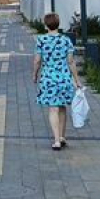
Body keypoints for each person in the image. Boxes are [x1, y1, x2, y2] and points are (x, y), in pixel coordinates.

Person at [32, 13, 82, 151]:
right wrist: (77, 80)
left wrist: (34, 75)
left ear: (46, 25)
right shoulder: (66, 40)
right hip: (64, 78)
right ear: (58, 24)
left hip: (48, 78)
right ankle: (62, 137)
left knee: (53, 108)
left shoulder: (41, 40)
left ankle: (56, 141)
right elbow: (71, 61)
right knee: (62, 107)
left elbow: (37, 61)